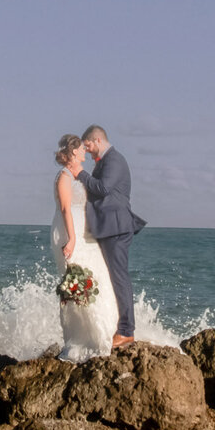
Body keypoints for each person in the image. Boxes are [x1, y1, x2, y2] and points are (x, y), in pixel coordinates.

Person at [76, 125, 146, 347]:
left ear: (96, 140)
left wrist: (80, 174)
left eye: (87, 146)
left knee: (120, 278)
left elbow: (103, 188)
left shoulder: (114, 160)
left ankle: (126, 330)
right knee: (113, 278)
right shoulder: (105, 162)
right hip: (107, 228)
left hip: (116, 228)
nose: (87, 151)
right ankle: (118, 326)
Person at [50, 133, 118, 360]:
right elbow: (66, 209)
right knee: (78, 284)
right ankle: (82, 339)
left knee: (98, 278)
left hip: (84, 232)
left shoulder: (77, 176)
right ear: (72, 153)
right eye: (81, 149)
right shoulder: (64, 177)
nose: (85, 152)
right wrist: (72, 239)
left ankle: (105, 333)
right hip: (71, 233)